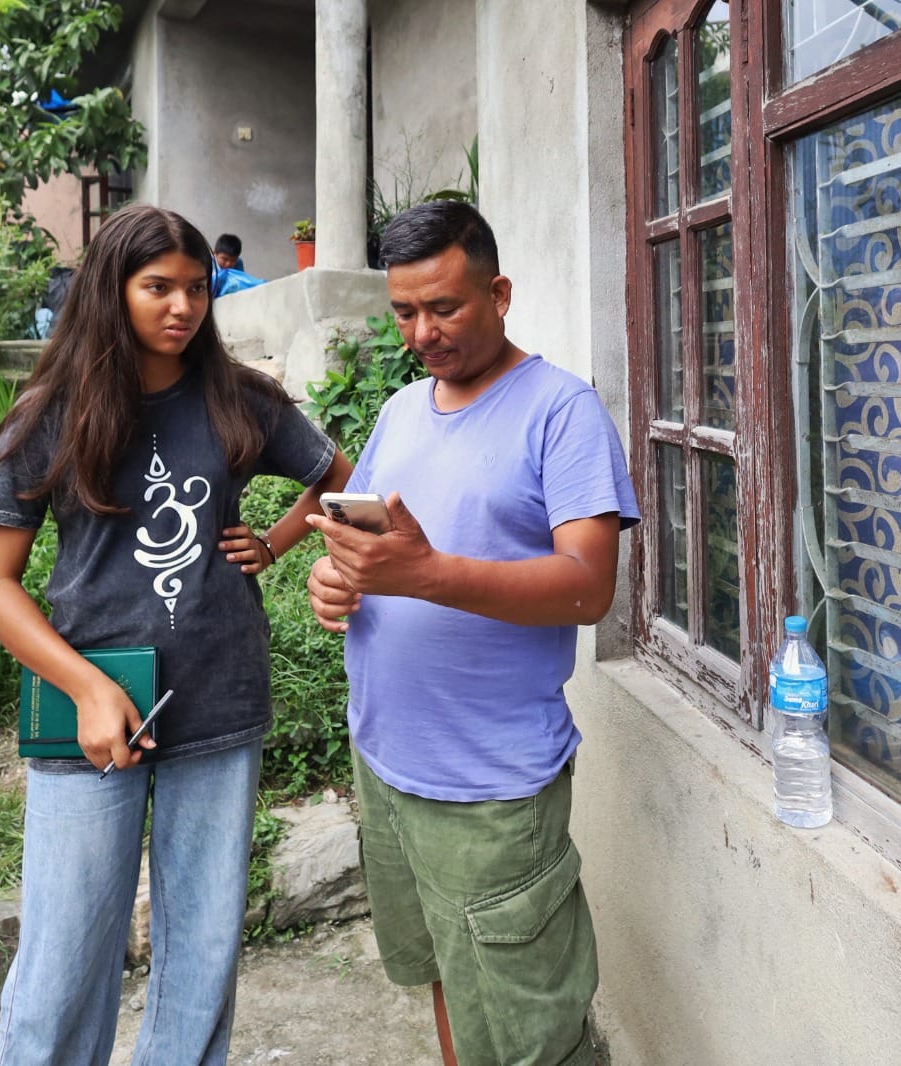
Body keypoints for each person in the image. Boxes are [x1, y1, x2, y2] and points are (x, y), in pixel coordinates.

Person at [0, 204, 353, 1065]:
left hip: (218, 695)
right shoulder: (52, 414)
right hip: (90, 712)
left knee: (204, 956)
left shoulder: (241, 400)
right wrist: (87, 688)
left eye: (195, 288)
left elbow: (341, 480)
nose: (181, 307)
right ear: (114, 290)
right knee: (64, 957)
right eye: (157, 288)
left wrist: (276, 540)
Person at [305, 201, 639, 1066]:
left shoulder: (561, 414)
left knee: (534, 1039)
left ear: (499, 293)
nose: (422, 333)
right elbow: (372, 544)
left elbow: (588, 586)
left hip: (490, 791)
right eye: (404, 312)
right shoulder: (403, 411)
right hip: (386, 765)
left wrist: (425, 575)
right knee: (447, 983)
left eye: (444, 308)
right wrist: (335, 578)